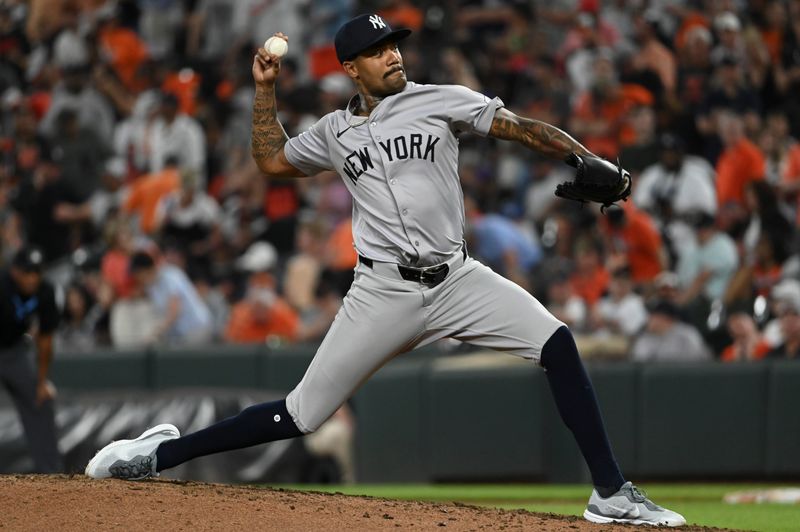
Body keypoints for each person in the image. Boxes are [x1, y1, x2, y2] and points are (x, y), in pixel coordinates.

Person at [85, 15, 685, 527]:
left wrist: (582, 155)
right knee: (301, 415)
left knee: (557, 342)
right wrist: (264, 91)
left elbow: (520, 127)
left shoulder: (439, 99)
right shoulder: (335, 132)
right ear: (351, 68)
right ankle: (160, 456)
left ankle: (609, 493)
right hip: (381, 291)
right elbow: (271, 160)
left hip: (457, 279)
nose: (391, 54)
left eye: (393, 45)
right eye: (376, 51)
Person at [0, 247, 62, 473]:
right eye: (28, 272)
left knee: (41, 400)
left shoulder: (45, 291)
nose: (33, 278)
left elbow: (45, 341)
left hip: (13, 351)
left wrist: (42, 381)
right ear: (15, 272)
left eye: (36, 272)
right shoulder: (3, 285)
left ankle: (51, 474)